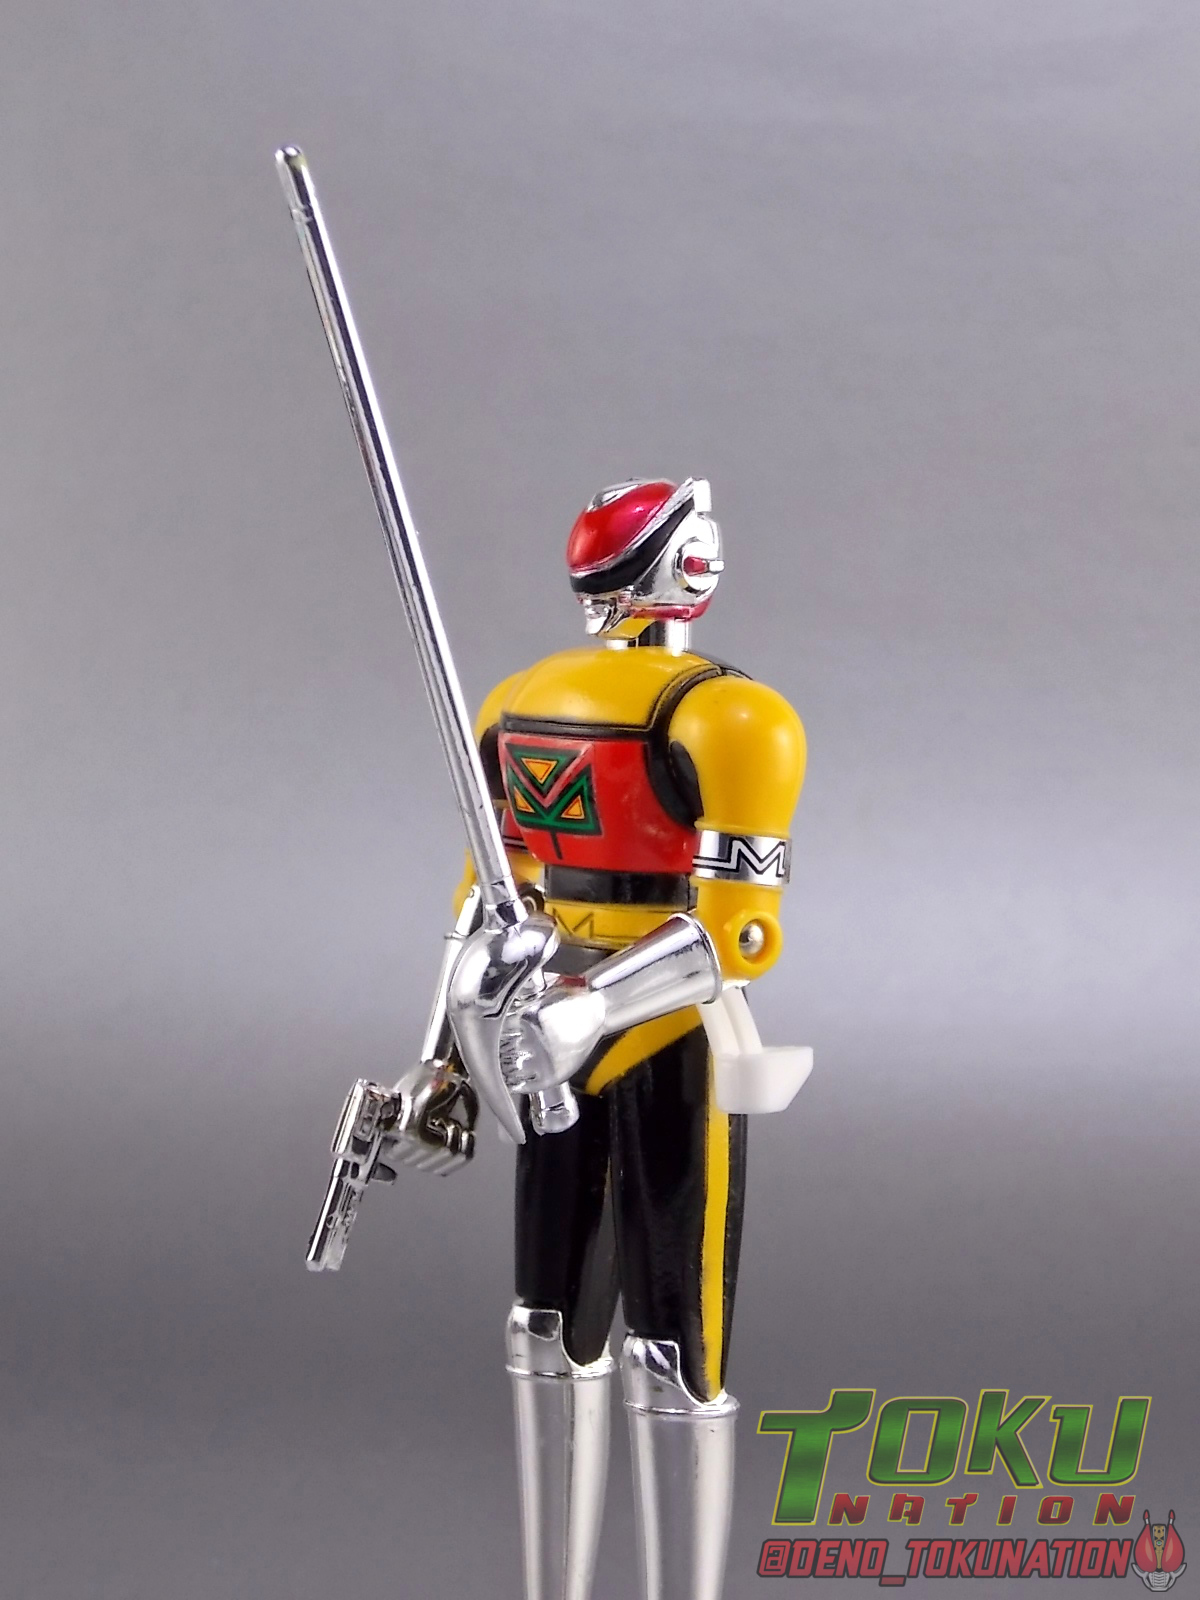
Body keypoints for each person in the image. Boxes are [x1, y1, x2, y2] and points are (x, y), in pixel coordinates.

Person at [395, 477, 807, 1600]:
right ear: (686, 569)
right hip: (573, 1038)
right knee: (565, 1331)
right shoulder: (702, 714)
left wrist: (565, 1013)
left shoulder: (683, 716)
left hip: (630, 1034)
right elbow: (493, 904)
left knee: (655, 1346)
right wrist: (448, 1060)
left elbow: (727, 937)